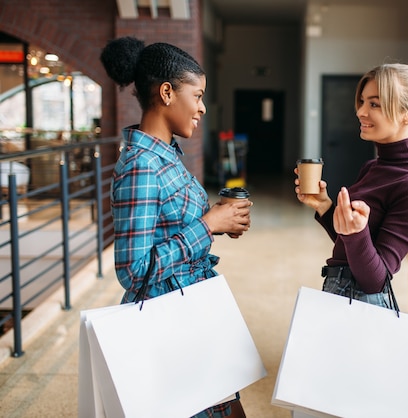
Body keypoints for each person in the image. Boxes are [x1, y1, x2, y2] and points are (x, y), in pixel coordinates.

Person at [100, 36, 251, 418]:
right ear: (167, 92)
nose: (201, 108)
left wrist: (219, 222)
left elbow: (172, 227)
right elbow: (133, 272)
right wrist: (206, 225)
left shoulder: (165, 154)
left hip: (193, 308)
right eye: (197, 95)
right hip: (169, 321)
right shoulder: (141, 166)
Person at [295, 63, 408, 308]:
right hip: (340, 292)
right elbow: (348, 246)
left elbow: (375, 280)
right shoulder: (373, 167)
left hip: (363, 304)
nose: (360, 111)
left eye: (374, 104)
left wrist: (357, 232)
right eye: (362, 101)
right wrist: (325, 206)